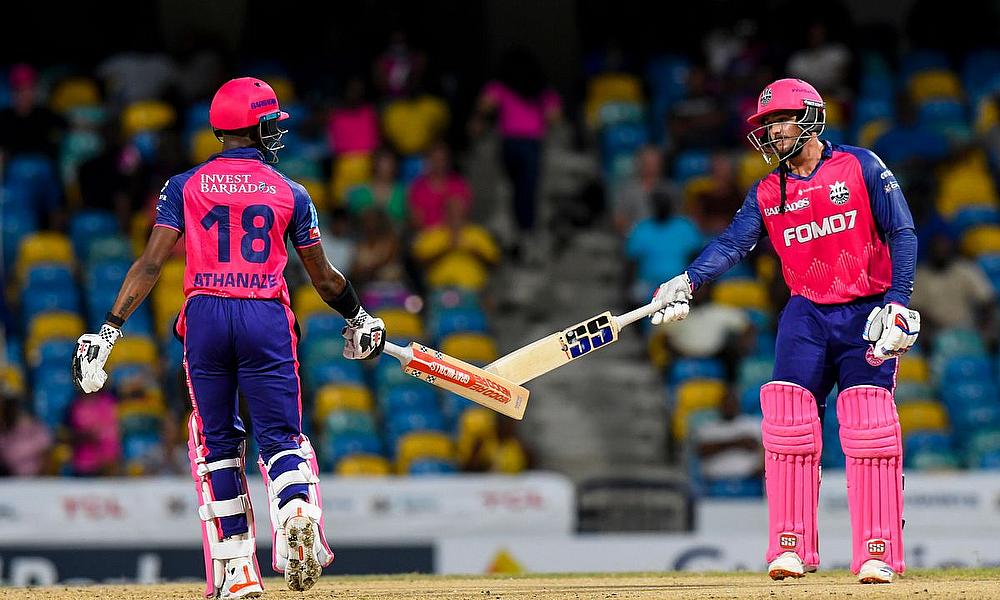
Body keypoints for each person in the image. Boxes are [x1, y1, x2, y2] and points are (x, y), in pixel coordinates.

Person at [70, 77, 387, 598]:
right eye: (273, 124)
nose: (277, 133)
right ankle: (295, 511)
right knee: (282, 439)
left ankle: (237, 568)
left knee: (217, 445)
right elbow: (324, 278)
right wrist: (358, 317)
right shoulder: (292, 192)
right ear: (258, 126)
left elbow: (150, 265)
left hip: (206, 318)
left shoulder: (184, 186)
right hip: (265, 316)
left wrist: (108, 331)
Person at [650, 78, 921, 584]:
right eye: (766, 125)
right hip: (806, 314)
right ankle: (790, 547)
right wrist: (687, 280)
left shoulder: (860, 165)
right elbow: (732, 243)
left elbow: (901, 231)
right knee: (789, 424)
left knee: (869, 427)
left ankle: (877, 551)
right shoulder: (768, 190)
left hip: (866, 310)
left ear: (812, 119)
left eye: (780, 121)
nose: (772, 132)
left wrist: (898, 302)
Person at [471, 47, 562, 238]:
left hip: (512, 143)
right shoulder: (540, 90)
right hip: (529, 144)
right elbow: (554, 117)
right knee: (527, 190)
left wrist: (481, 120)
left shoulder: (502, 87)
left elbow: (485, 105)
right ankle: (525, 229)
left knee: (513, 188)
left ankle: (520, 229)